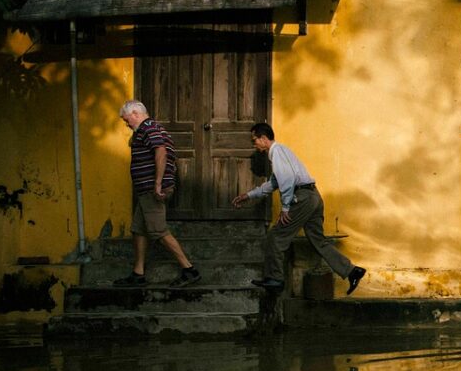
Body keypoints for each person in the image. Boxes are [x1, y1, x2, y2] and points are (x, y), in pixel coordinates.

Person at [232, 123, 366, 295]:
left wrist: (286, 207)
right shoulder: (281, 152)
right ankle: (352, 271)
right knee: (318, 240)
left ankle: (275, 278)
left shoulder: (277, 152)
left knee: (276, 235)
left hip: (302, 197)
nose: (254, 144)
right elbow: (274, 183)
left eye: (255, 140)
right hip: (313, 197)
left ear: (264, 139)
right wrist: (248, 196)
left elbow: (287, 179)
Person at [113, 100, 200, 288]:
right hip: (146, 191)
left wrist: (158, 184)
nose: (126, 124)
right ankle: (138, 273)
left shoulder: (148, 127)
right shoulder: (151, 129)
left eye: (127, 120)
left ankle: (189, 270)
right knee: (139, 230)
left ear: (135, 113)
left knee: (158, 231)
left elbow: (160, 151)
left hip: (152, 190)